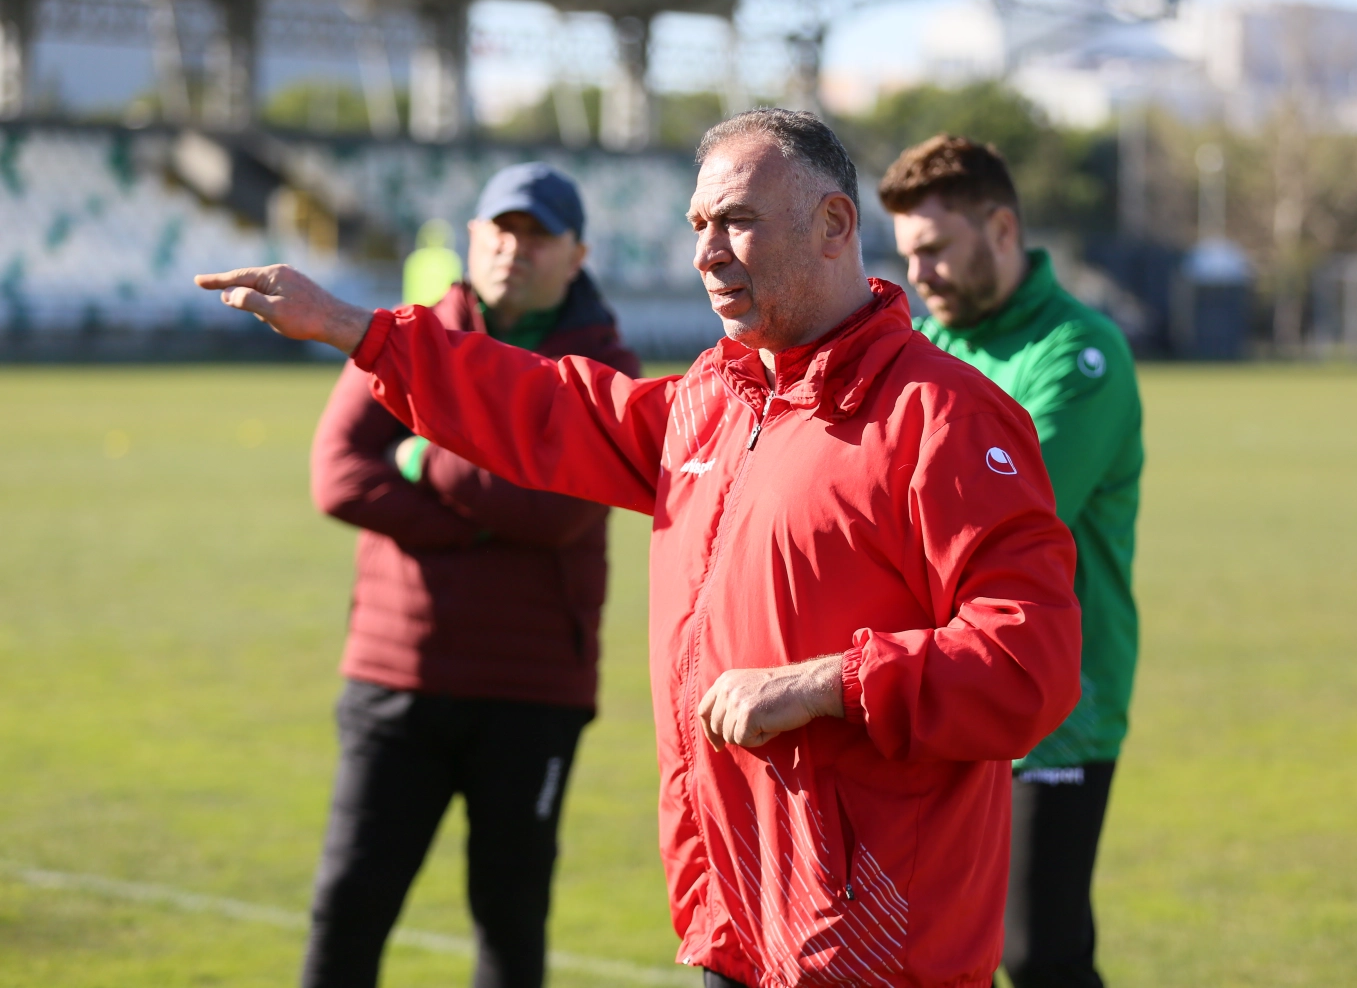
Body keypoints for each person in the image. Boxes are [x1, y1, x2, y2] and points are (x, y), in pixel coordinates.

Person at [197, 109, 1081, 988]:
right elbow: (550, 408)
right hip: (736, 918)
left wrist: (824, 685)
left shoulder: (944, 416)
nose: (706, 254)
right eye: (698, 226)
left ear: (834, 225)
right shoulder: (714, 398)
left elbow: (1029, 662)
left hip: (877, 945)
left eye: (737, 221)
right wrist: (363, 333)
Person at [301, 162, 640, 988]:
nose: (513, 248)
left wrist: (422, 449)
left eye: (537, 234)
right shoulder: (408, 335)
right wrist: (487, 512)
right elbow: (338, 475)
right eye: (500, 229)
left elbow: (561, 508)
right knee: (349, 905)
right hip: (397, 670)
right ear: (472, 238)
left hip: (531, 688)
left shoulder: (604, 362)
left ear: (577, 253)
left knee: (510, 919)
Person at [879, 136, 1143, 988]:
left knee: (1040, 957)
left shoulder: (1079, 354)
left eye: (934, 250)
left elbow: (999, 526)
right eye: (907, 256)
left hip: (1056, 708)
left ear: (1000, 227)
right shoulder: (930, 350)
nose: (919, 275)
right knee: (942, 952)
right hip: (941, 695)